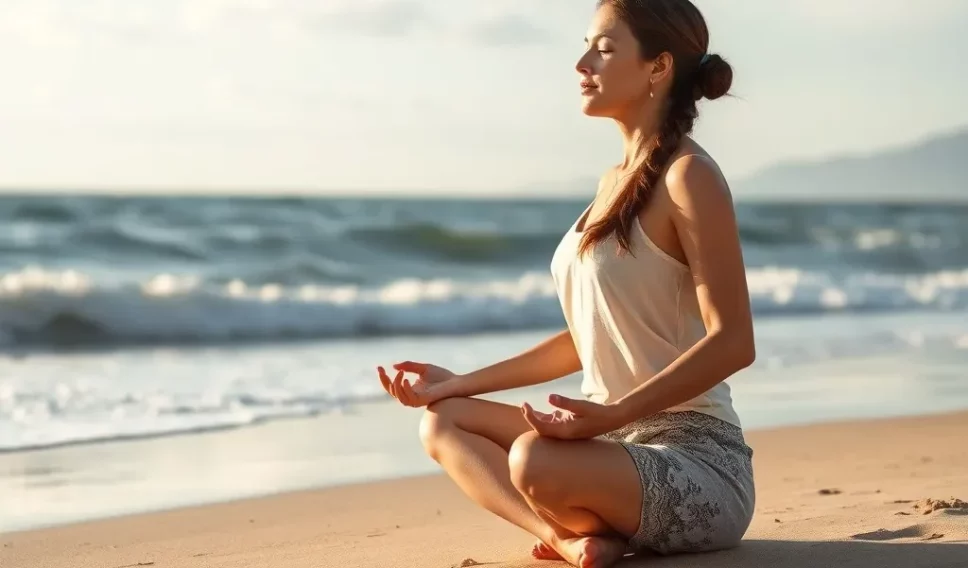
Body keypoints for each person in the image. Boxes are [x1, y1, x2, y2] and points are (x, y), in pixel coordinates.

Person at [377, 1, 756, 566]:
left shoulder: (689, 176)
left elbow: (734, 342)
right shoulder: (612, 183)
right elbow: (591, 338)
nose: (583, 65)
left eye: (604, 50)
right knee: (444, 420)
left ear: (658, 67)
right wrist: (460, 383)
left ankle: (590, 523)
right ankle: (569, 540)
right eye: (585, 49)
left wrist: (614, 414)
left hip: (696, 460)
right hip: (605, 444)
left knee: (534, 459)